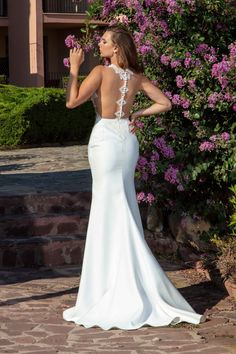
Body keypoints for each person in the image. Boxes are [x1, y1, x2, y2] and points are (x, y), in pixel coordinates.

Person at [63, 25, 206, 330]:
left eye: (104, 41)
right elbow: (165, 103)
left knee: (108, 208)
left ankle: (111, 285)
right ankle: (131, 279)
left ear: (116, 48)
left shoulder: (101, 73)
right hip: (127, 140)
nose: (99, 44)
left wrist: (74, 70)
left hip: (104, 140)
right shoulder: (137, 78)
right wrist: (137, 114)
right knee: (123, 204)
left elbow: (71, 103)